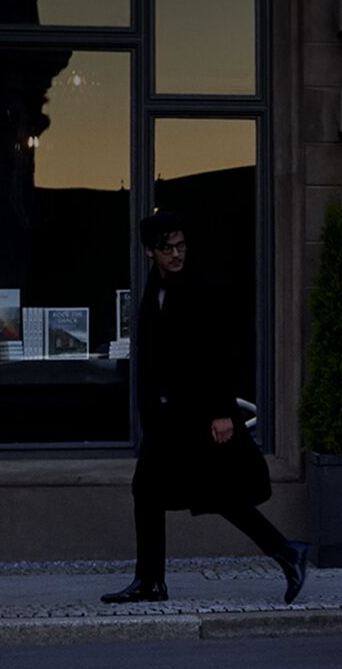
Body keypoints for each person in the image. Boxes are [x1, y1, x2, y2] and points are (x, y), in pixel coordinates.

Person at [102, 211, 309, 604]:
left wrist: (222, 412)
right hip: (167, 418)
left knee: (210, 494)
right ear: (150, 251)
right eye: (168, 249)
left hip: (195, 414)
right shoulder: (154, 288)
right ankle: (153, 580)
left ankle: (286, 552)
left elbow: (219, 352)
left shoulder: (197, 286)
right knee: (159, 491)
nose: (177, 254)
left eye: (181, 246)